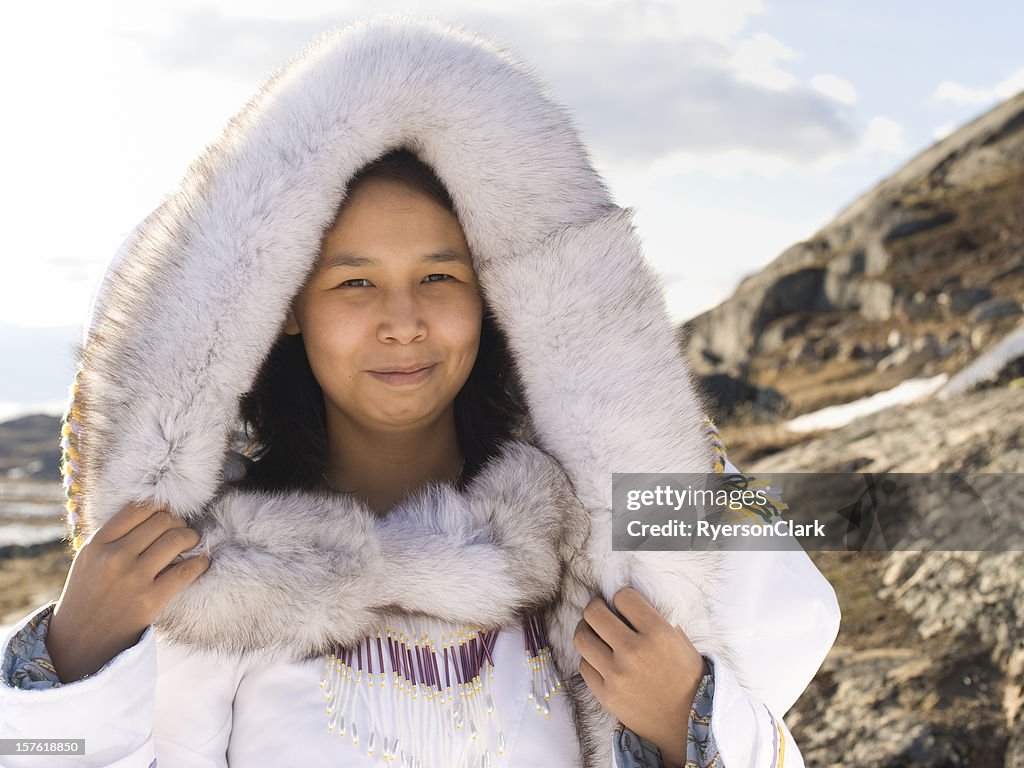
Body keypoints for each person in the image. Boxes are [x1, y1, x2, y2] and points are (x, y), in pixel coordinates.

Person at [0, 17, 840, 768]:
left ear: (496, 296)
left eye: (439, 275)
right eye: (355, 284)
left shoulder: (598, 557)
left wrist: (685, 721)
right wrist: (75, 656)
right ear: (285, 305)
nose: (403, 322)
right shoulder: (203, 585)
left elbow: (770, 704)